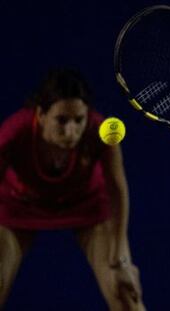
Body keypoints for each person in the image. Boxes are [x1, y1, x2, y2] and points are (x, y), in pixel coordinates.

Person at [0, 68, 146, 311]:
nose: (71, 132)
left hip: (87, 208)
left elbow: (117, 191)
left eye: (79, 120)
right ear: (41, 114)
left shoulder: (100, 132)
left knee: (124, 291)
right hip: (18, 209)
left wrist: (121, 258)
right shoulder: (14, 132)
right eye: (61, 120)